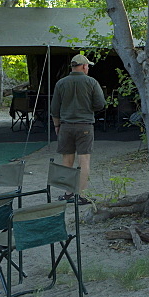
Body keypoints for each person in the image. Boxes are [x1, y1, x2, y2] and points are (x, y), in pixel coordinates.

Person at [50, 53, 106, 205]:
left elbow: (54, 108)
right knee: (84, 160)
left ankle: (68, 194)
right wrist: (89, 108)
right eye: (87, 66)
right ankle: (82, 195)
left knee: (67, 160)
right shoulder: (91, 82)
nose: (88, 68)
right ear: (82, 66)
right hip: (85, 125)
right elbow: (100, 104)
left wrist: (56, 125)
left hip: (65, 126)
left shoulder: (61, 83)